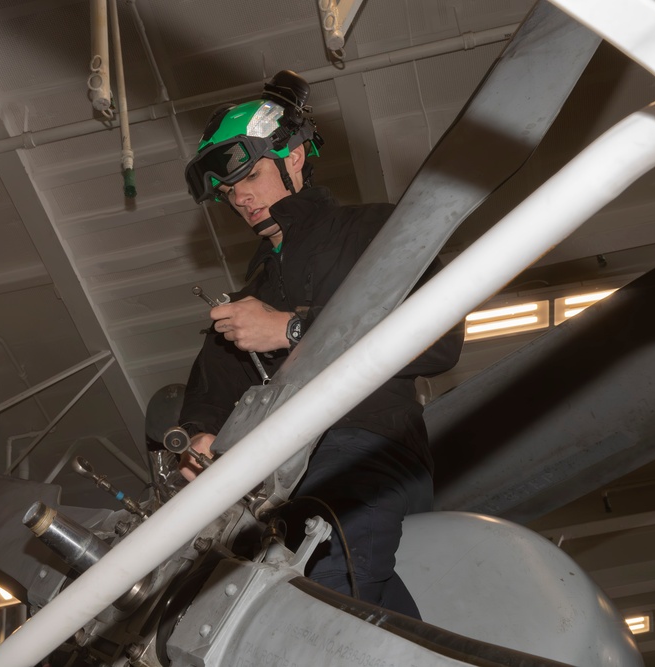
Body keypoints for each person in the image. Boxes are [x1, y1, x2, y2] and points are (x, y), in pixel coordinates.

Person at [178, 70, 463, 619]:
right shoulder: (251, 297)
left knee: (325, 606)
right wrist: (197, 438)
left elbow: (438, 340)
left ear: (293, 157)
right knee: (304, 622)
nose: (240, 197)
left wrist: (291, 329)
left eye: (251, 175)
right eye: (229, 191)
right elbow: (208, 391)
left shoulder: (374, 231)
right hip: (282, 489)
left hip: (365, 446)